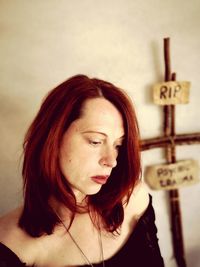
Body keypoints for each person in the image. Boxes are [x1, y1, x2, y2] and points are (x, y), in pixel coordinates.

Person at [0, 74, 164, 267]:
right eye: (95, 141)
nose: (112, 161)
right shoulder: (10, 243)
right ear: (53, 139)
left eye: (118, 145)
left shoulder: (134, 201)